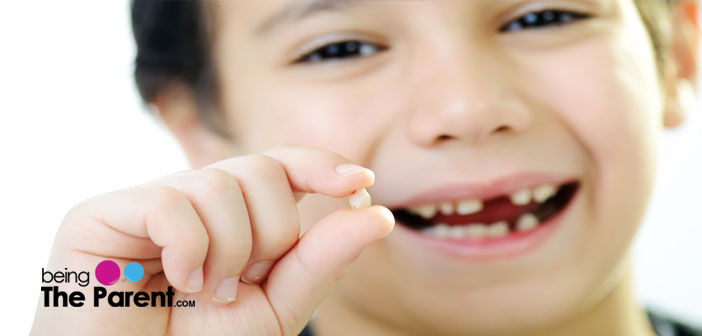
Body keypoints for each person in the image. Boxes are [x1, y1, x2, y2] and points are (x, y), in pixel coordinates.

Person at [32, 0, 700, 335]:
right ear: (196, 125)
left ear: (677, 52)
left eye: (541, 16)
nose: (466, 108)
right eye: (340, 48)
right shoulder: (104, 296)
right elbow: (95, 288)